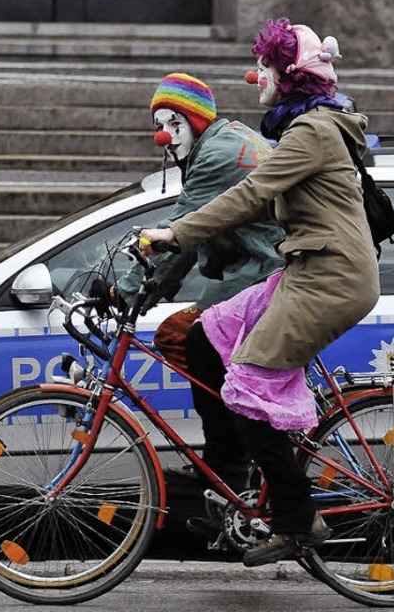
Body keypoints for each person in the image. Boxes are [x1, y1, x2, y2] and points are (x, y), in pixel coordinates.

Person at [141, 20, 381, 567]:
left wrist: (175, 233)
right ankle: (228, 476)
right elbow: (258, 205)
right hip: (307, 269)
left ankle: (298, 521)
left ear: (290, 75)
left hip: (331, 278)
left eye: (266, 69)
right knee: (205, 334)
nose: (257, 79)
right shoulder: (302, 129)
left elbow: (252, 193)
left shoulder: (313, 132)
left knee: (246, 384)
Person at [114, 72, 285, 490]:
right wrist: (149, 290)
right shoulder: (221, 142)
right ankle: (234, 459)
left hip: (263, 274)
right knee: (190, 341)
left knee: (186, 337)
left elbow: (182, 228)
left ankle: (231, 465)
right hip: (254, 271)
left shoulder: (219, 156)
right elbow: (195, 232)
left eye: (174, 124)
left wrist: (129, 289)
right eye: (159, 127)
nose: (166, 137)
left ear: (197, 120)